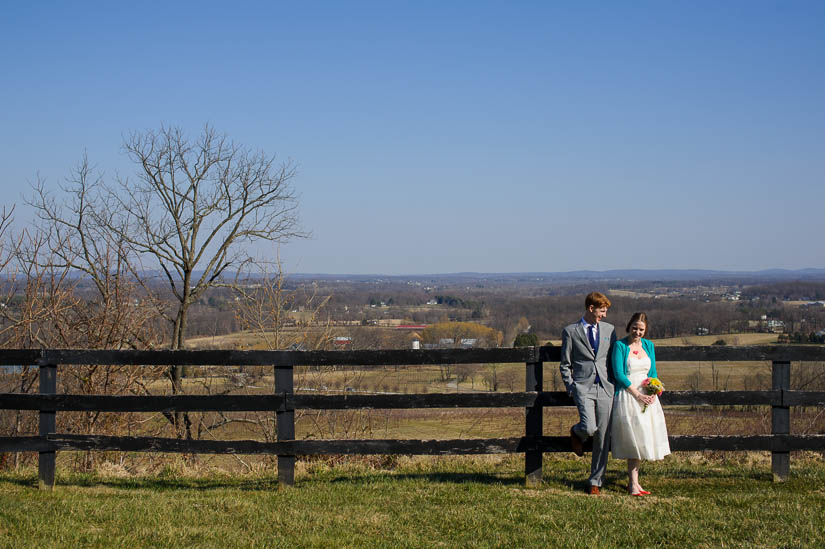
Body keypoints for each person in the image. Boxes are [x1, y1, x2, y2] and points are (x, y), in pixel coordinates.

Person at [559, 291, 616, 495]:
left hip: (605, 387)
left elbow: (613, 359)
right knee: (589, 427)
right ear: (591, 309)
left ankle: (595, 482)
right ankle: (577, 432)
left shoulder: (610, 330)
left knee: (603, 435)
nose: (605, 315)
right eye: (602, 310)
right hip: (583, 387)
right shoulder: (571, 331)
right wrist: (571, 386)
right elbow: (565, 364)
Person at [611, 312, 671, 496]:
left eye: (641, 329)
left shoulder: (649, 346)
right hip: (629, 395)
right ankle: (632, 483)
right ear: (629, 326)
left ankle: (636, 483)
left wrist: (654, 390)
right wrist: (637, 394)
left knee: (644, 438)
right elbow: (619, 374)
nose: (637, 332)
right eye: (635, 328)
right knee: (633, 440)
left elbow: (652, 371)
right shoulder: (620, 346)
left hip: (647, 397)